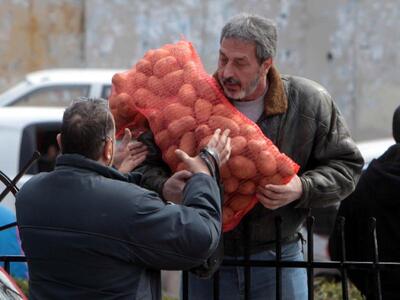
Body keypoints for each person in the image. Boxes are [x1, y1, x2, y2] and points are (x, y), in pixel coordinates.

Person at [134, 13, 364, 299]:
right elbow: (141, 165)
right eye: (222, 58)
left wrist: (301, 188)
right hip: (206, 260)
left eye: (240, 62)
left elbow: (348, 167)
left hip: (280, 258)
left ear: (266, 64)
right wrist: (164, 187)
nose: (227, 71)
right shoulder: (190, 100)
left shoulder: (309, 102)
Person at [15, 98, 232, 300]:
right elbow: (202, 236)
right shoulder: (130, 204)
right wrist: (204, 174)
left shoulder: (30, 194)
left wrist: (116, 174)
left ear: (61, 141)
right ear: (109, 148)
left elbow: (86, 211)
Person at [329, 105, 400, 300]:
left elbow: (340, 247)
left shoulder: (365, 183)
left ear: (394, 133)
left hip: (381, 289)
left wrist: (370, 284)